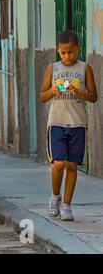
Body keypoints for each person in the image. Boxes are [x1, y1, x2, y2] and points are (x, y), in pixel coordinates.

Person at [40, 30, 98, 221]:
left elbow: (94, 97)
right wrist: (53, 90)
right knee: (58, 164)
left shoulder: (85, 68)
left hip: (78, 124)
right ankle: (55, 197)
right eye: (64, 52)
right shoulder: (52, 68)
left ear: (78, 49)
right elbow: (42, 97)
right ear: (58, 50)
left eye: (71, 52)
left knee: (72, 166)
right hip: (56, 122)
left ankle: (66, 206)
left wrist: (78, 91)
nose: (67, 56)